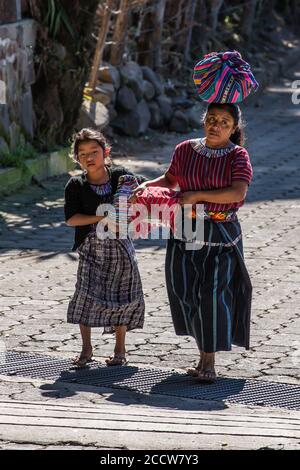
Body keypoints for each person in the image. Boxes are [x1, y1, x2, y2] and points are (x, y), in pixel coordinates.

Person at [130, 102, 253, 383]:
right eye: (211, 119)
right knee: (184, 291)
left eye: (224, 122)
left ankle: (208, 361)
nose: (216, 125)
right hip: (183, 230)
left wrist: (196, 196)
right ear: (204, 121)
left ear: (234, 129)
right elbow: (171, 179)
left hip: (220, 235)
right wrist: (148, 185)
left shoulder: (239, 157)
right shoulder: (185, 149)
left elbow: (237, 192)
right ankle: (202, 352)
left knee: (211, 294)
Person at [64, 128, 146, 367]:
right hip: (91, 249)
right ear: (77, 158)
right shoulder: (76, 185)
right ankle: (86, 350)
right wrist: (101, 218)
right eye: (83, 153)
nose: (89, 157)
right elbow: (71, 219)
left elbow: (142, 193)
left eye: (94, 151)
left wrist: (134, 203)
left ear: (105, 152)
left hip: (121, 246)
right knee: (85, 295)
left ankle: (120, 351)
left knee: (124, 296)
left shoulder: (120, 176)